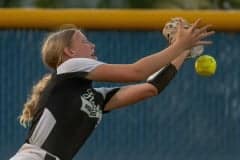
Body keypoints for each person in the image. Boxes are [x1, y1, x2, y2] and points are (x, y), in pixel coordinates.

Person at [10, 19, 214, 160]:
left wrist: (182, 51)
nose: (92, 45)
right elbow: (136, 72)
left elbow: (150, 88)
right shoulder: (69, 67)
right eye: (84, 41)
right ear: (69, 52)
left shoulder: (97, 98)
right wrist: (178, 45)